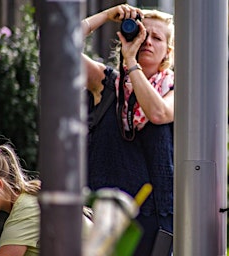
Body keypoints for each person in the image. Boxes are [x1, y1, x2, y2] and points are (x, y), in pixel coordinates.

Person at [81, 4, 174, 255]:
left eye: (157, 37)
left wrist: (131, 63)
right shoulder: (107, 83)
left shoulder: (175, 90)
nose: (147, 41)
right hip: (100, 212)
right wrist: (105, 16)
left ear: (168, 51)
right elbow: (55, 46)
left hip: (152, 217)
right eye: (142, 34)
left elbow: (157, 113)